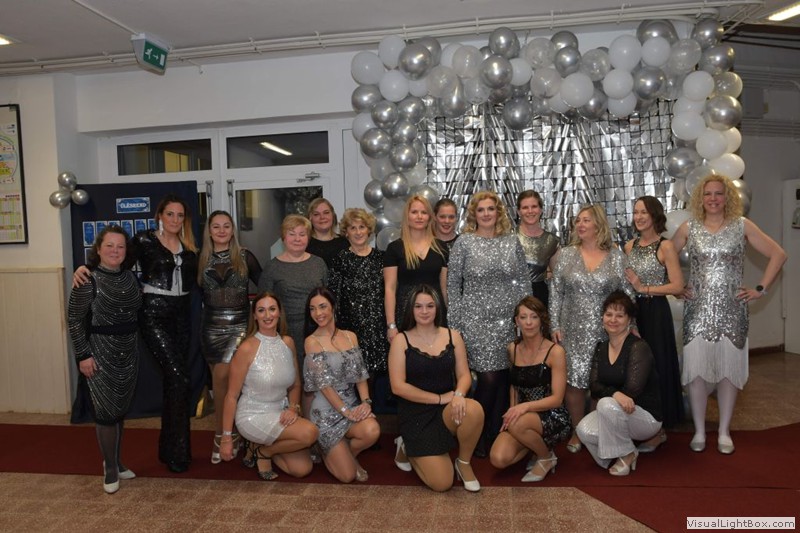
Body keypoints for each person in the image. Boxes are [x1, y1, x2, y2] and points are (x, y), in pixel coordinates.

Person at [75, 194, 199, 473]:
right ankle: (176, 452)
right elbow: (114, 261)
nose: (175, 220)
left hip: (182, 316)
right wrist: (86, 269)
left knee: (175, 383)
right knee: (178, 377)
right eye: (170, 214)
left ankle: (172, 450)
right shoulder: (145, 240)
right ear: (160, 216)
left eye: (180, 215)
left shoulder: (190, 248)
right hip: (154, 313)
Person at [672, 174, 786, 454]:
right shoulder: (688, 228)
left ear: (727, 198)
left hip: (733, 310)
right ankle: (699, 431)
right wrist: (677, 287)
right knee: (696, 373)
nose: (713, 198)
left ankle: (724, 431)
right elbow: (665, 256)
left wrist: (760, 289)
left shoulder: (742, 225)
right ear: (700, 198)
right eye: (707, 194)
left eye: (718, 193)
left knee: (728, 372)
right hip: (697, 311)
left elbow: (778, 254)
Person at [447, 190, 529, 457]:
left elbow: (523, 281)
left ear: (498, 212)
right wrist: (454, 326)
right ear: (474, 214)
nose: (486, 214)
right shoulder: (464, 242)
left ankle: (496, 432)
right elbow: (453, 285)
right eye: (480, 210)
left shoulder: (511, 241)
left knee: (503, 377)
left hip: (507, 321)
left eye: (490, 209)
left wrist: (525, 318)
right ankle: (476, 432)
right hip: (474, 321)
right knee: (488, 378)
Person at [549, 204, 635, 453]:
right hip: (571, 329)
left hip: (606, 332)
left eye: (586, 220)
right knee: (574, 382)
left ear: (598, 224)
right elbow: (556, 293)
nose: (580, 224)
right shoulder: (565, 255)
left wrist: (631, 325)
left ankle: (596, 430)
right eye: (578, 221)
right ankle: (578, 431)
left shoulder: (616, 257)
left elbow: (628, 295)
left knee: (601, 382)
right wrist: (554, 324)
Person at [68, 226, 142, 494]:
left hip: (129, 352)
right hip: (99, 354)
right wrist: (83, 356)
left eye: (120, 246)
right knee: (105, 412)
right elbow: (74, 321)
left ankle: (117, 462)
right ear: (98, 249)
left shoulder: (130, 277)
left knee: (119, 409)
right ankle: (109, 468)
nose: (115, 251)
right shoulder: (87, 280)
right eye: (109, 245)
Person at [389, 285, 484, 492]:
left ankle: (464, 463)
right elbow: (398, 387)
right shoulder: (400, 341)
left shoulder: (453, 336)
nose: (424, 311)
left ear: (438, 307)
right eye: (418, 306)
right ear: (411, 309)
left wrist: (459, 394)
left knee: (474, 409)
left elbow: (464, 375)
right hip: (416, 415)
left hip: (447, 408)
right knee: (442, 484)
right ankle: (405, 445)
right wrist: (440, 398)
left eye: (430, 306)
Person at [219, 292, 319, 480]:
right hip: (253, 416)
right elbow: (231, 396)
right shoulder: (247, 348)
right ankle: (262, 449)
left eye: (272, 309)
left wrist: (293, 408)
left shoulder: (288, 343)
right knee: (310, 433)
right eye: (261, 310)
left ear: (279, 313)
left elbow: (296, 384)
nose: (267, 315)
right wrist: (226, 438)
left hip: (281, 413)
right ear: (254, 316)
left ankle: (262, 450)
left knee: (302, 469)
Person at [197, 210, 262, 464]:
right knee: (221, 382)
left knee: (226, 377)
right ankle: (231, 433)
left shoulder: (245, 256)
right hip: (211, 327)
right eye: (216, 226)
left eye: (226, 226)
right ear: (209, 231)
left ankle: (223, 435)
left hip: (239, 326)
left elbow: (265, 286)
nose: (222, 231)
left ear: (233, 230)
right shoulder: (199, 258)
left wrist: (262, 317)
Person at [576, 291, 663, 476]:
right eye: (609, 314)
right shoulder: (601, 348)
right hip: (614, 410)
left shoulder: (639, 347)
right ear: (602, 318)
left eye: (619, 315)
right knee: (583, 430)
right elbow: (593, 385)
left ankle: (626, 454)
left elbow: (633, 390)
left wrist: (610, 396)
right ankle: (622, 450)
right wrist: (615, 394)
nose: (613, 320)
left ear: (629, 320)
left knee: (605, 404)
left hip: (644, 415)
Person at [303, 288, 381, 483]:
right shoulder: (311, 342)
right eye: (312, 309)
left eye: (323, 307)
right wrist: (346, 412)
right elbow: (325, 386)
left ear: (333, 307)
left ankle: (345, 454)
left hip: (351, 404)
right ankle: (328, 450)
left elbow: (360, 375)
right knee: (347, 476)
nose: (318, 313)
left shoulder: (350, 336)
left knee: (372, 430)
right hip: (326, 412)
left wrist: (366, 402)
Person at [489, 296, 570, 482]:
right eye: (523, 317)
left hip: (552, 414)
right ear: (516, 321)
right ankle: (533, 445)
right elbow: (514, 386)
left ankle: (546, 457)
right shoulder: (513, 348)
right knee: (498, 459)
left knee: (517, 424)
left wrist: (523, 408)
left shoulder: (555, 352)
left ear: (542, 320)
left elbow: (557, 399)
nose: (528, 322)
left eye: (534, 317)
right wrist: (512, 410)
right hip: (522, 416)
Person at [624, 196, 684, 439]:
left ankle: (660, 425)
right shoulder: (629, 246)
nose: (638, 217)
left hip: (656, 311)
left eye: (644, 212)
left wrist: (644, 288)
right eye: (636, 212)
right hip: (634, 313)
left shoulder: (665, 246)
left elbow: (677, 285)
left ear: (655, 215)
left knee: (658, 364)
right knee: (636, 367)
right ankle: (639, 423)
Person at [328, 208, 389, 412]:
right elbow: (333, 296)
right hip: (350, 328)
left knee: (376, 376)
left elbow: (389, 291)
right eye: (353, 228)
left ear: (369, 230)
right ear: (346, 232)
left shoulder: (381, 258)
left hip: (377, 326)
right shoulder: (340, 259)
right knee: (354, 374)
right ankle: (357, 416)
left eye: (362, 227)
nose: (358, 232)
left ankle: (374, 416)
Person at [258, 214, 328, 367]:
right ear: (283, 237)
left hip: (316, 329)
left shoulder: (318, 263)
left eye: (302, 234)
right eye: (292, 234)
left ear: (308, 238)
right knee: (291, 375)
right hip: (284, 332)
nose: (297, 239)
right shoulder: (272, 267)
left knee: (317, 374)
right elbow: (263, 304)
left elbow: (327, 299)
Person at [384, 194, 448, 344]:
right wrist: (391, 325)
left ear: (429, 217)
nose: (419, 216)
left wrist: (448, 316)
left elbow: (444, 288)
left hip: (435, 313)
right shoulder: (394, 248)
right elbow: (390, 289)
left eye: (424, 212)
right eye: (414, 212)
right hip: (406, 313)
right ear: (407, 216)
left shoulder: (441, 247)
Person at [516, 190, 560, 308]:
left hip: (539, 298)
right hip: (512, 295)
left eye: (534, 206)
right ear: (518, 212)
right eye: (525, 207)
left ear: (540, 210)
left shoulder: (552, 241)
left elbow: (558, 278)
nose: (530, 211)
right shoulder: (508, 238)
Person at [306, 198, 349, 267]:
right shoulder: (305, 244)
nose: (322, 217)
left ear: (333, 215)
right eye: (316, 214)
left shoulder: (345, 243)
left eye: (326, 213)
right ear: (310, 218)